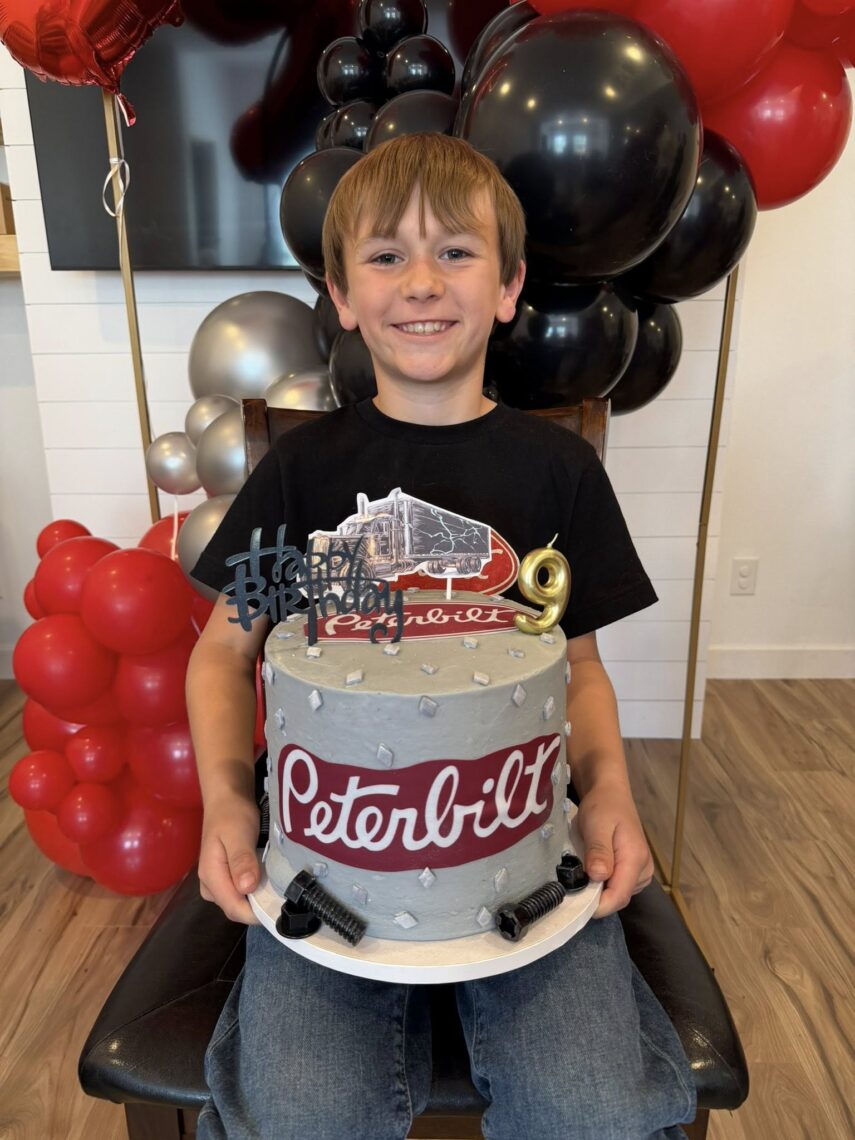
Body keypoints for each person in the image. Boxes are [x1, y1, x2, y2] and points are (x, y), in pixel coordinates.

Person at [186, 132, 695, 1140]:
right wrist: (223, 803)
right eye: (385, 257)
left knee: (592, 1110)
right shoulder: (303, 475)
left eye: (456, 253)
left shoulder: (559, 473)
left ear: (509, 287)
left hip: (522, 847)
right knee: (300, 1113)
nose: (422, 281)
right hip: (330, 855)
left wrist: (612, 796)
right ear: (340, 295)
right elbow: (221, 652)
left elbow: (580, 671)